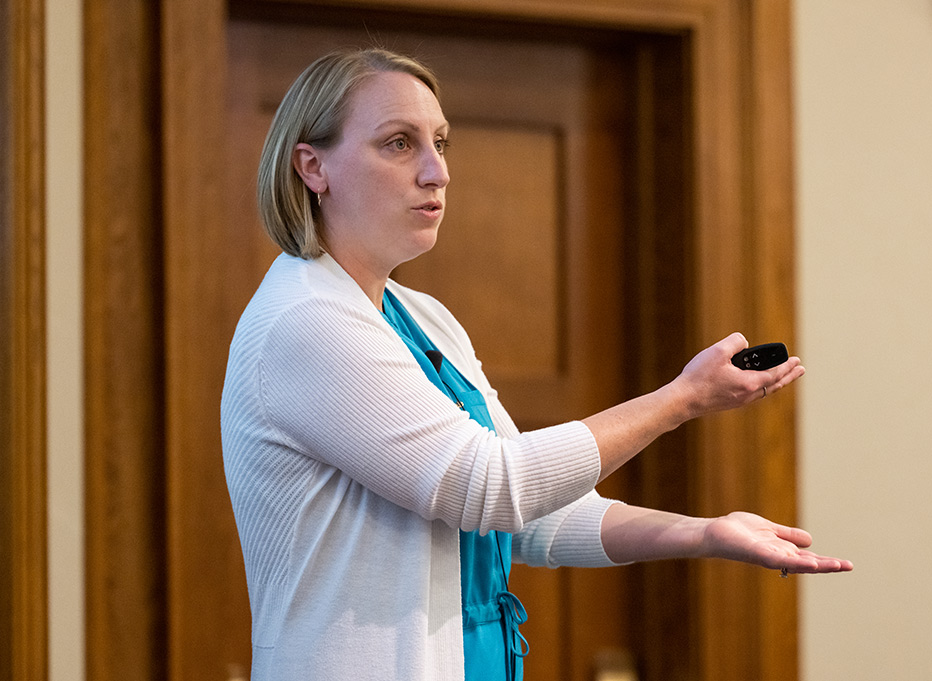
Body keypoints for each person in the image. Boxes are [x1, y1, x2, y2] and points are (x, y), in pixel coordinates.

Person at [221, 47, 851, 681]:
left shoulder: (423, 317)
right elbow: (489, 487)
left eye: (440, 142)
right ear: (313, 166)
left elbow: (535, 517)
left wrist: (704, 534)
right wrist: (680, 399)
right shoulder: (304, 321)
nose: (437, 171)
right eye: (398, 144)